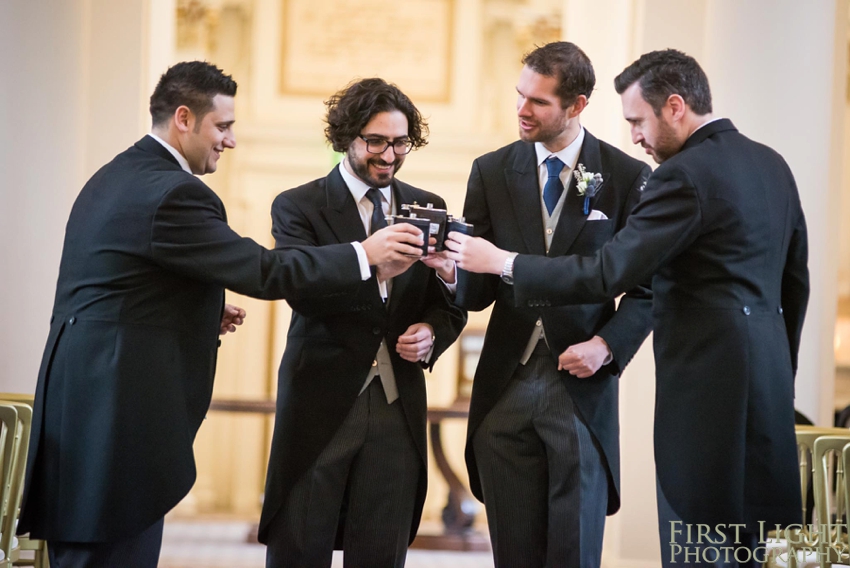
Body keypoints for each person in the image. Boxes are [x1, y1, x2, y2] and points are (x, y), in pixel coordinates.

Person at [18, 61, 425, 568]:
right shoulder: (177, 192)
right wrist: (365, 255)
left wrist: (200, 309)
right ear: (184, 118)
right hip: (118, 418)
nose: (230, 141)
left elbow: (117, 292)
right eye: (224, 126)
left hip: (86, 401)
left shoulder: (118, 174)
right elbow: (263, 271)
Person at [446, 49, 808, 568]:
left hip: (700, 392)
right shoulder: (773, 164)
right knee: (762, 547)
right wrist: (780, 362)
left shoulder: (676, 176)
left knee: (699, 543)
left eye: (638, 121)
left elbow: (611, 272)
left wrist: (505, 262)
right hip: (769, 387)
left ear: (676, 106)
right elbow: (795, 283)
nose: (635, 135)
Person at [450, 42, 652, 568]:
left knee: (574, 554)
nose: (522, 110)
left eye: (538, 101)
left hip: (580, 391)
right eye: (520, 95)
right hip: (504, 390)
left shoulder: (628, 177)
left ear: (577, 105)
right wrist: (451, 269)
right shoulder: (491, 172)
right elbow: (475, 295)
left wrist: (607, 346)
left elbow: (650, 289)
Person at [258, 77, 466, 568]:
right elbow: (299, 288)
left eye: (400, 143)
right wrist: (367, 261)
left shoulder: (429, 205)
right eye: (376, 141)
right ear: (345, 137)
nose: (389, 156)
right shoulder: (298, 205)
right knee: (301, 547)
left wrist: (433, 331)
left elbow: (450, 303)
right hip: (321, 403)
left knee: (381, 549)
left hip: (397, 409)